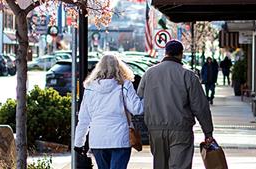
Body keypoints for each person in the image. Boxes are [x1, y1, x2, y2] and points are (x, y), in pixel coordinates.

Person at [138, 40, 214, 169]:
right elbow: (200, 107)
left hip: (155, 129)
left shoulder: (149, 74)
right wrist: (208, 132)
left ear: (166, 53)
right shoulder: (188, 75)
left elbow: (139, 100)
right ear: (181, 54)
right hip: (181, 129)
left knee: (160, 165)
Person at [74, 54, 143, 169]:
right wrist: (146, 100)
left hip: (98, 139)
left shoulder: (90, 88)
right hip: (120, 138)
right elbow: (137, 109)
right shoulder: (125, 85)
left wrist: (78, 143)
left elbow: (84, 119)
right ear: (119, 67)